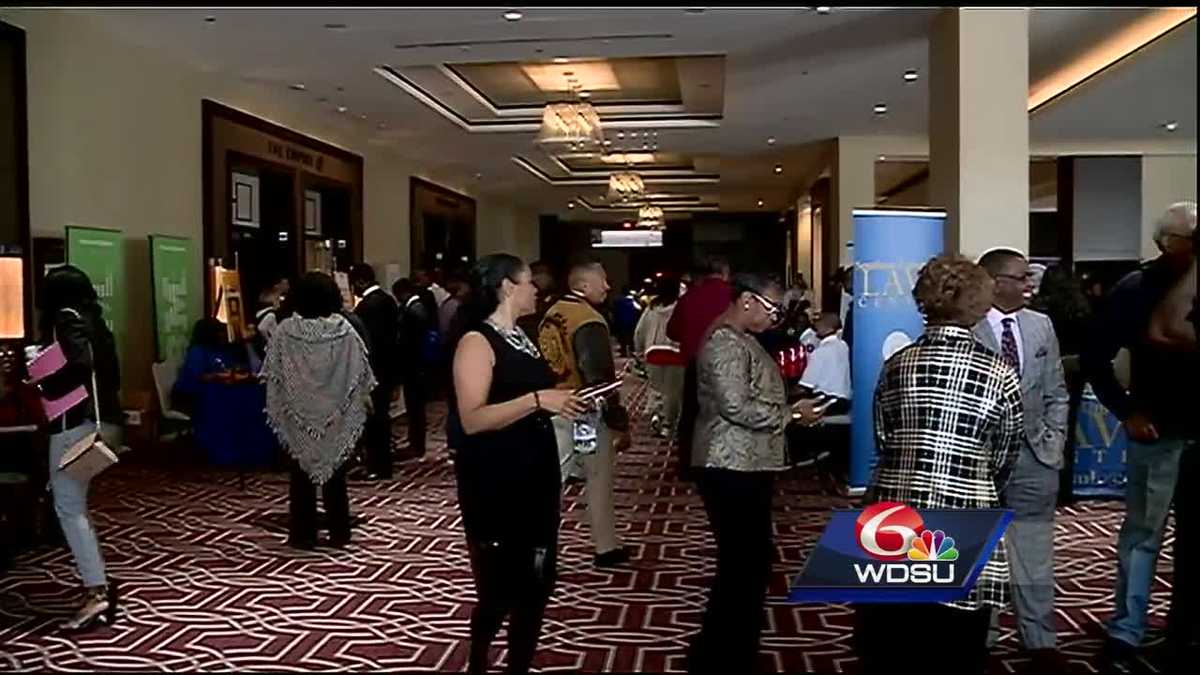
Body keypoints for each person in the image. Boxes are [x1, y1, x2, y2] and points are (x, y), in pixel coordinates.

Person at [856, 255, 1024, 675]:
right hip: (965, 510)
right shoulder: (999, 372)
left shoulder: (896, 365)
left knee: (889, 644)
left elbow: (883, 437)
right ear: (980, 304)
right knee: (956, 647)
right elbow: (1005, 454)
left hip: (893, 510)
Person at [446, 253, 587, 675]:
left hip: (535, 473)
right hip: (495, 479)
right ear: (508, 287)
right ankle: (479, 660)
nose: (536, 289)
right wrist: (538, 400)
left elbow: (531, 398)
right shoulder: (476, 341)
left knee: (538, 584)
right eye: (529, 282)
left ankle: (519, 665)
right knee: (499, 588)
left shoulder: (522, 336)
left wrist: (563, 402)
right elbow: (472, 419)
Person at [688, 273, 824, 674]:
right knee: (742, 565)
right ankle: (723, 654)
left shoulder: (741, 338)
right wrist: (791, 415)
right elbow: (735, 406)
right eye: (773, 309)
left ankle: (726, 649)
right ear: (747, 301)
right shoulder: (726, 342)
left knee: (748, 563)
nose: (777, 318)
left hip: (744, 462)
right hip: (729, 463)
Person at [1084, 201, 1198, 669]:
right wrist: (1126, 411)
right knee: (1143, 536)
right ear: (1169, 243)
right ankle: (1125, 631)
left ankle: (1184, 631)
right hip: (1158, 431)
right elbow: (1095, 358)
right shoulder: (1136, 288)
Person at [975, 248, 1070, 671]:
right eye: (1022, 277)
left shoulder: (1040, 325)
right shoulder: (967, 326)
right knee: (981, 548)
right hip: (980, 460)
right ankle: (983, 633)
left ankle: (1039, 637)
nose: (1031, 283)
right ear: (996, 282)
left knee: (1034, 551)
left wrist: (1054, 440)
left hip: (1035, 457)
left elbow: (1056, 392)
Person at [32, 265, 122, 631]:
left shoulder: (66, 319)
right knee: (74, 504)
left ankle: (96, 591)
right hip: (101, 421)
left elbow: (79, 365)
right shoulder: (94, 321)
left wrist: (44, 381)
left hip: (74, 424)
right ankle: (97, 583)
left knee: (69, 507)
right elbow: (109, 372)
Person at [262, 272, 376, 550]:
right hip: (336, 414)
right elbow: (359, 373)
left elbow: (275, 374)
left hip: (298, 414)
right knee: (336, 475)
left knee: (300, 477)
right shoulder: (345, 331)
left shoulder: (284, 332)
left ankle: (303, 535)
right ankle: (340, 532)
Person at [538, 261, 632, 568]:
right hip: (585, 408)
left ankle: (540, 547)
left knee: (552, 479)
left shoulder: (550, 314)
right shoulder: (588, 320)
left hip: (554, 403)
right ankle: (606, 547)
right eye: (602, 280)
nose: (607, 286)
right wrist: (618, 420)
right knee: (598, 478)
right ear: (582, 286)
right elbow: (600, 377)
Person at [667, 255, 732, 479]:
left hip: (696, 363)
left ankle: (689, 465)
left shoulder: (689, 297)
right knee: (729, 414)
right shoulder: (734, 295)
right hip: (730, 363)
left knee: (692, 416)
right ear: (725, 272)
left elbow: (672, 331)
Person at [349, 264, 399, 481]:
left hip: (374, 370)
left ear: (360, 281)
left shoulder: (368, 306)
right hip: (387, 368)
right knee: (382, 417)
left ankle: (377, 465)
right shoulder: (388, 300)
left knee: (374, 420)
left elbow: (370, 344)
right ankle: (381, 463)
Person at [633, 275, 685, 439]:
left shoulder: (652, 308)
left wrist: (639, 352)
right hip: (675, 353)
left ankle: (657, 414)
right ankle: (668, 424)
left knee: (656, 389)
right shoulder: (681, 307)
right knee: (673, 393)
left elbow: (639, 331)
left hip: (653, 353)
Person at [393, 277, 438, 458]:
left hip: (415, 366)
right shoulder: (416, 308)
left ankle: (417, 445)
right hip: (417, 365)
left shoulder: (415, 310)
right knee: (414, 407)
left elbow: (412, 342)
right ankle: (415, 442)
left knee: (416, 407)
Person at [171, 317, 233, 416]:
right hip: (188, 396)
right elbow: (200, 376)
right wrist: (220, 376)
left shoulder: (218, 349)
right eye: (218, 332)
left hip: (211, 391)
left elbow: (226, 367)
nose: (221, 334)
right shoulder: (197, 351)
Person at [798, 313, 851, 402]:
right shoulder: (844, 346)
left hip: (824, 400)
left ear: (827, 328)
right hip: (844, 400)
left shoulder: (820, 352)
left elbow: (806, 385)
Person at [612, 286, 643, 357]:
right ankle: (631, 350)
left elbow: (614, 310)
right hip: (630, 322)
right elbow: (639, 308)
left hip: (620, 322)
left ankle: (624, 351)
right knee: (630, 337)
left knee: (622, 338)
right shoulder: (631, 300)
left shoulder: (617, 300)